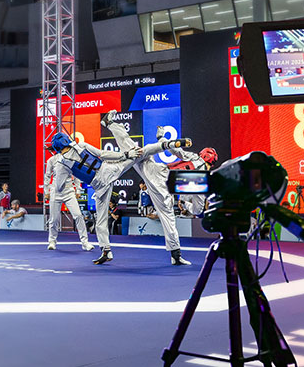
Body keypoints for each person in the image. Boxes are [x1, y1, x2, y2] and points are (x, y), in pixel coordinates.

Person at [47, 130, 189, 265]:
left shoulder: (61, 164)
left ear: (57, 148)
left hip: (99, 185)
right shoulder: (81, 146)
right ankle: (168, 144)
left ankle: (106, 250)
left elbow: (58, 187)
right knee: (140, 153)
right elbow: (103, 154)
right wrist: (125, 155)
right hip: (108, 171)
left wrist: (66, 177)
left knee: (100, 220)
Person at [99, 110, 193, 266]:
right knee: (139, 151)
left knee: (138, 151)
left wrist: (169, 141)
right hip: (161, 175)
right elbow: (177, 151)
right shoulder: (195, 159)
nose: (208, 163)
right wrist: (164, 138)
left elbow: (176, 151)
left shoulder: (199, 167)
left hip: (163, 183)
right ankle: (176, 256)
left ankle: (176, 255)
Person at [43, 145, 93, 251]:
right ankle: (52, 241)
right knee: (54, 219)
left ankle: (85, 243)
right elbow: (47, 176)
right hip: (55, 192)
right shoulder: (52, 160)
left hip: (69, 192)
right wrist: (46, 191)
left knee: (78, 215)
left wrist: (78, 190)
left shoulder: (72, 159)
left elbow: (77, 175)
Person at [167, 146, 219, 217]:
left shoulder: (195, 158)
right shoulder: (204, 178)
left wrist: (166, 144)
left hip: (170, 178)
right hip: (175, 182)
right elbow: (197, 210)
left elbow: (178, 152)